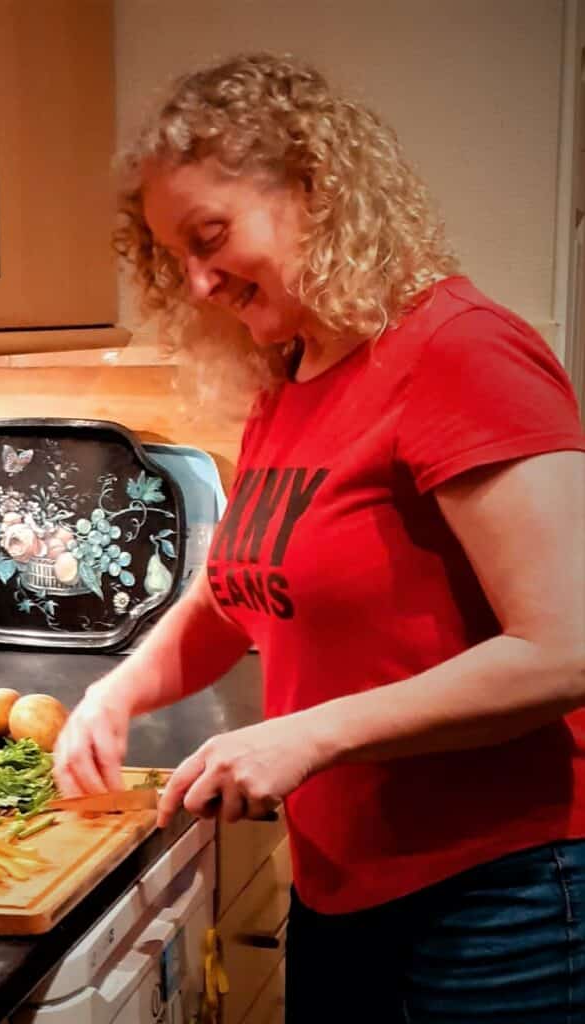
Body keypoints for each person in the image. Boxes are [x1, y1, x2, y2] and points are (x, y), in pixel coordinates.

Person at [52, 52, 585, 1022]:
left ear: (313, 188)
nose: (199, 281)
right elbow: (231, 594)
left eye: (210, 238)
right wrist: (115, 691)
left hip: (497, 892)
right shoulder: (290, 380)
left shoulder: (457, 352)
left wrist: (304, 734)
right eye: (176, 255)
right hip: (343, 882)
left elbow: (563, 648)